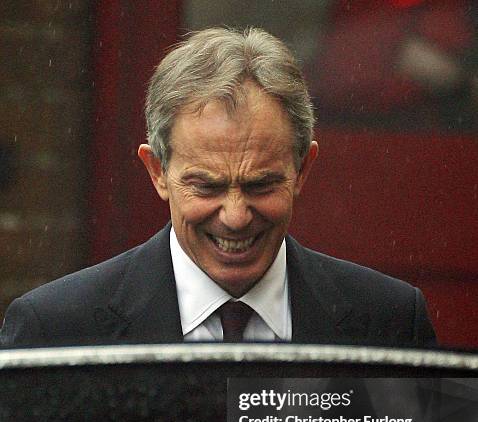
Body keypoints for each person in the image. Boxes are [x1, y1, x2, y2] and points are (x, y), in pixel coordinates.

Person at [0, 27, 436, 350]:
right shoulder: (56, 333)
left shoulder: (392, 324)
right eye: (206, 186)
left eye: (260, 184)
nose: (235, 215)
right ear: (157, 172)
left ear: (303, 169)